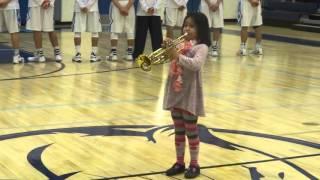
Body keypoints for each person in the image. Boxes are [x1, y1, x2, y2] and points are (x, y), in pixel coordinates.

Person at [163, 12, 210, 179]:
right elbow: (171, 61)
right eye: (185, 25)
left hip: (190, 95)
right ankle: (179, 162)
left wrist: (177, 55)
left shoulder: (201, 48)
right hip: (176, 93)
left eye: (191, 26)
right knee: (178, 130)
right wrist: (168, 49)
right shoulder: (181, 44)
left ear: (200, 29)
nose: (187, 28)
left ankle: (195, 164)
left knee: (191, 131)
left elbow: (195, 65)